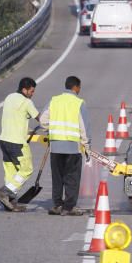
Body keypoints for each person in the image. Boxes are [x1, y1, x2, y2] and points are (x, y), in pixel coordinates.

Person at [40, 76, 91, 216]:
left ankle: (57, 205)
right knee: (72, 177)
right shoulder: (79, 102)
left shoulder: (54, 100)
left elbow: (43, 120)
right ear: (76, 87)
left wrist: (51, 129)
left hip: (55, 147)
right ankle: (69, 207)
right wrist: (86, 146)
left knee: (57, 177)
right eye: (79, 88)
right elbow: (84, 128)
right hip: (72, 147)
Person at [0, 77, 39, 212]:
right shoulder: (27, 102)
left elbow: (15, 117)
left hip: (4, 140)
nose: (32, 93)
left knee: (11, 172)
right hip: (17, 143)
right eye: (31, 91)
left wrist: (26, 129)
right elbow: (40, 119)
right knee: (27, 169)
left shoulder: (9, 97)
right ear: (24, 90)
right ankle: (4, 192)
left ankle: (10, 202)